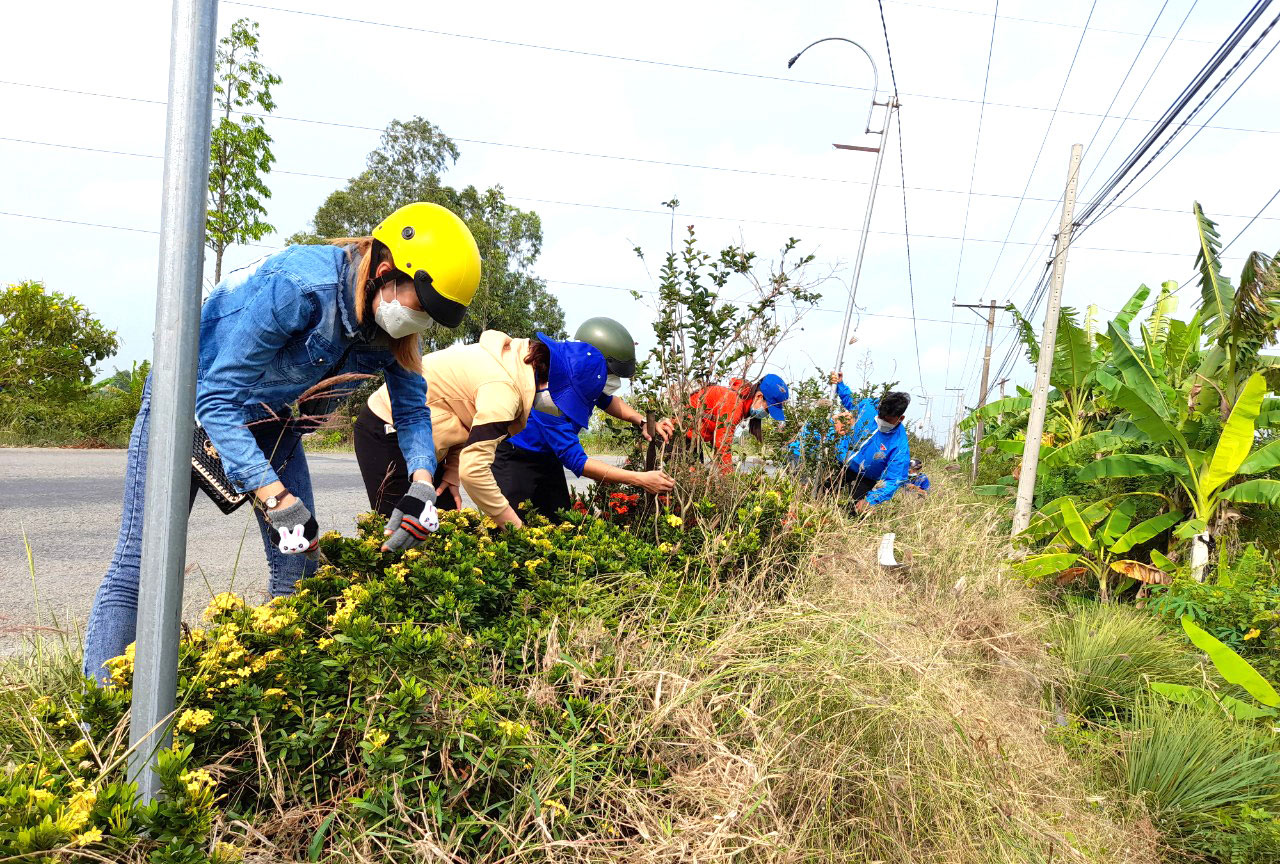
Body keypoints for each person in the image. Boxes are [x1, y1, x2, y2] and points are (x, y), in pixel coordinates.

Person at [83, 202, 480, 683]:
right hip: (186, 399)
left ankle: (273, 697)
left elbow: (414, 410)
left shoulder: (387, 329)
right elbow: (217, 401)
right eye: (422, 308)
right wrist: (275, 497)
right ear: (386, 271)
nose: (420, 325)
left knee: (300, 567)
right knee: (142, 563)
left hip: (270, 417)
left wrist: (420, 484)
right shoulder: (299, 287)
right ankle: (98, 711)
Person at [354, 331, 609, 530]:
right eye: (565, 401)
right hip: (389, 429)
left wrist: (451, 471)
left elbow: (458, 410)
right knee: (407, 529)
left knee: (441, 529)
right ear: (553, 380)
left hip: (429, 437)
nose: (561, 410)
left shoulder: (517, 365)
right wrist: (516, 528)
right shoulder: (505, 389)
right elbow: (474, 471)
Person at [490, 317, 676, 518]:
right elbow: (578, 461)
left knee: (560, 522)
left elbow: (606, 400)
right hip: (515, 458)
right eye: (610, 373)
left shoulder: (582, 379)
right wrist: (640, 479)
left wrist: (642, 421)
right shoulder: (549, 397)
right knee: (510, 527)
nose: (613, 380)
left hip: (548, 457)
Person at [829, 372, 912, 513]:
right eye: (881, 416)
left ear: (901, 418)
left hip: (866, 477)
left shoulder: (900, 445)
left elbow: (895, 480)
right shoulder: (868, 406)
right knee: (822, 495)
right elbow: (851, 401)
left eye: (888, 419)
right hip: (842, 464)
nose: (882, 421)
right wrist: (840, 385)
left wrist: (870, 500)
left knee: (852, 512)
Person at [683, 374, 789, 468]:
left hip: (693, 439)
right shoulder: (734, 404)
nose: (767, 414)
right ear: (759, 396)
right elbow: (723, 447)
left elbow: (717, 435)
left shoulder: (739, 400)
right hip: (680, 434)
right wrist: (729, 479)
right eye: (768, 409)